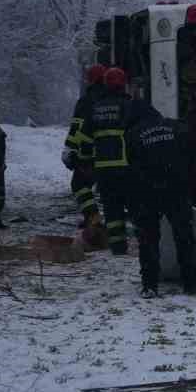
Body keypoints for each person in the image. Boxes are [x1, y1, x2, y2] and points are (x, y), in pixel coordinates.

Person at [124, 97, 196, 298]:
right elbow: (194, 153)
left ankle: (149, 285)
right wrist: (188, 180)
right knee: (184, 236)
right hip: (176, 189)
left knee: (148, 239)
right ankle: (191, 282)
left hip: (147, 192)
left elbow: (132, 166)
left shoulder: (133, 134)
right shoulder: (176, 127)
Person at [75, 67, 134, 254]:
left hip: (103, 168)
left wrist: (84, 163)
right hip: (126, 166)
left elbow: (84, 140)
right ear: (123, 85)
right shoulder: (129, 106)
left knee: (111, 207)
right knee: (135, 204)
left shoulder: (95, 108)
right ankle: (146, 241)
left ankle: (117, 246)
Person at [63, 64, 107, 240]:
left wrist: (70, 149)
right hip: (113, 155)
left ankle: (93, 217)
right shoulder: (114, 100)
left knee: (79, 185)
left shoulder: (86, 101)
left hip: (89, 154)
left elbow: (77, 127)